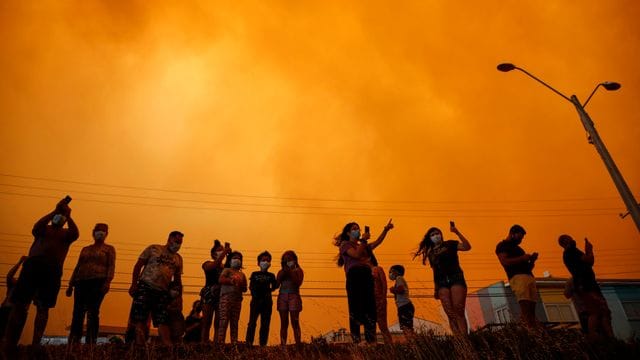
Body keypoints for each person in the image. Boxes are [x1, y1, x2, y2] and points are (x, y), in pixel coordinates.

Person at [3, 197, 79, 354]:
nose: (60, 217)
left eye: (62, 216)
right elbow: (36, 226)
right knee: (20, 305)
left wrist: (69, 215)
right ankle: (10, 342)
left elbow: (75, 233)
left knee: (43, 307)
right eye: (60, 215)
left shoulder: (66, 234)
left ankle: (35, 343)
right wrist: (55, 211)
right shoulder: (43, 230)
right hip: (32, 265)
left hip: (52, 269)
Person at [334, 219, 393, 344]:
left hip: (367, 275)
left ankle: (370, 339)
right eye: (354, 229)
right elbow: (355, 255)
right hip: (354, 276)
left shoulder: (363, 245)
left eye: (358, 229)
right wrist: (364, 241)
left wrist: (385, 230)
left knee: (370, 307)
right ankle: (356, 340)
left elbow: (377, 242)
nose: (357, 231)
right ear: (348, 233)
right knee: (355, 307)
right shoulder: (346, 245)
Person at [413, 222, 471, 335]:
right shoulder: (430, 253)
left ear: (441, 234)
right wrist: (436, 288)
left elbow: (467, 247)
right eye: (433, 234)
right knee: (450, 313)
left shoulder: (450, 244)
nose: (436, 236)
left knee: (458, 310)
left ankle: (465, 338)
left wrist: (457, 232)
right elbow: (434, 270)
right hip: (441, 283)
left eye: (437, 233)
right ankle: (458, 340)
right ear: (430, 238)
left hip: (456, 277)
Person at [128, 231, 184, 345]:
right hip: (145, 286)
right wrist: (134, 284)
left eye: (180, 243)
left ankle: (168, 346)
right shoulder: (154, 249)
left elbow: (177, 280)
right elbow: (138, 266)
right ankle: (140, 345)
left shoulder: (178, 259)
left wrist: (179, 297)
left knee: (163, 320)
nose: (177, 244)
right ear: (169, 239)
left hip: (163, 292)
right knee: (140, 318)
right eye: (176, 241)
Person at [66, 223, 116, 344]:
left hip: (98, 282)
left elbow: (111, 266)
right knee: (78, 312)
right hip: (81, 282)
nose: (100, 233)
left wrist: (107, 282)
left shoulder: (109, 249)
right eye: (98, 230)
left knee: (93, 311)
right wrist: (70, 284)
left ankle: (91, 341)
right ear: (93, 233)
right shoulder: (86, 249)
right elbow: (78, 266)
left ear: (106, 234)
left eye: (103, 231)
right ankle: (74, 340)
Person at [558, 235, 613, 340]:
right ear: (565, 242)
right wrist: (589, 250)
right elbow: (589, 260)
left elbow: (588, 262)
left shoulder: (569, 253)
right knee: (596, 312)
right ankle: (593, 336)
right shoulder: (571, 251)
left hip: (590, 284)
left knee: (604, 312)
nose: (573, 239)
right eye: (570, 238)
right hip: (587, 285)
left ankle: (609, 336)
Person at [495, 224, 539, 328]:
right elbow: (504, 261)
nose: (521, 240)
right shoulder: (502, 246)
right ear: (512, 234)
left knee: (532, 309)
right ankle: (526, 330)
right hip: (517, 278)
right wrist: (522, 258)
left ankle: (533, 330)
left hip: (529, 277)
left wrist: (532, 260)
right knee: (525, 306)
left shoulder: (519, 249)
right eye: (520, 237)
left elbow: (528, 268)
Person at [200, 239, 230, 343]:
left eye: (222, 250)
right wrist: (225, 252)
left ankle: (216, 344)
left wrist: (228, 254)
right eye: (219, 250)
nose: (221, 252)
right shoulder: (207, 263)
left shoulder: (225, 267)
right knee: (206, 321)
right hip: (209, 293)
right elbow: (213, 266)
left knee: (218, 322)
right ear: (213, 254)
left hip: (220, 295)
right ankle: (203, 343)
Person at [246, 251, 278, 346]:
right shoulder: (254, 274)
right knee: (252, 322)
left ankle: (263, 344)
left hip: (267, 301)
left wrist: (269, 290)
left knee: (265, 323)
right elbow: (251, 286)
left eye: (268, 260)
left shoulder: (271, 275)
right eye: (263, 260)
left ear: (270, 263)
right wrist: (255, 294)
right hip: (255, 301)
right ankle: (248, 343)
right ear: (258, 263)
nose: (266, 262)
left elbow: (275, 286)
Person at [217, 251, 247, 345]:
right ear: (230, 260)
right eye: (234, 258)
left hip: (237, 299)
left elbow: (245, 288)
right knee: (224, 319)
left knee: (234, 321)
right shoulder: (227, 270)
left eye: (239, 258)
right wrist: (232, 281)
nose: (237, 260)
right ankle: (220, 342)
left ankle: (234, 342)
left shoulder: (242, 275)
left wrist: (240, 284)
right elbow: (221, 279)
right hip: (226, 298)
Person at [276, 250, 304, 345]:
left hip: (294, 296)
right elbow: (277, 283)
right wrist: (284, 271)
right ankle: (283, 344)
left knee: (295, 321)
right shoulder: (281, 271)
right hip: (282, 296)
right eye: (286, 260)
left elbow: (298, 282)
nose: (288, 261)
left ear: (295, 260)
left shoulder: (298, 270)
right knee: (284, 322)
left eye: (290, 259)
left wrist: (290, 272)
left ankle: (298, 343)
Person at [0, 256, 27, 340]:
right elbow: (9, 276)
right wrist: (19, 262)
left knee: (10, 338)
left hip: (16, 313)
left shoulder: (27, 287)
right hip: (6, 310)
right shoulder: (14, 284)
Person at [370, 255, 392, 344]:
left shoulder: (378, 269)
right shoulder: (365, 271)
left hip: (379, 299)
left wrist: (383, 298)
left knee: (382, 325)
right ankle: (373, 345)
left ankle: (390, 346)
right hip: (370, 301)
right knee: (371, 325)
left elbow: (384, 284)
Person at [389, 265, 414, 339]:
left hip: (404, 306)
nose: (390, 273)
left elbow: (401, 290)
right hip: (405, 306)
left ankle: (410, 343)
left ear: (396, 272)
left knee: (406, 327)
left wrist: (393, 290)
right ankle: (412, 342)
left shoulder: (399, 278)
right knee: (408, 327)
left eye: (391, 271)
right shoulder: (399, 279)